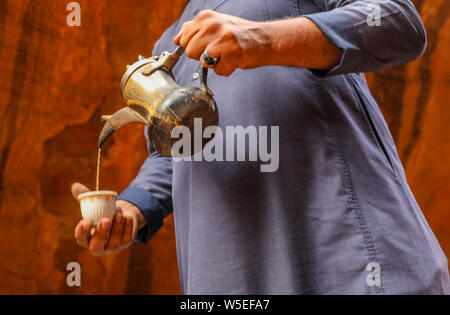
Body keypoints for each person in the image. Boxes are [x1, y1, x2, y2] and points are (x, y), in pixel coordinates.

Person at [72, 0, 450, 294]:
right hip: (222, 272)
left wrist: (261, 38)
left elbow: (396, 20)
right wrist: (134, 206)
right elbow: (179, 149)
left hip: (343, 257)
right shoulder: (167, 42)